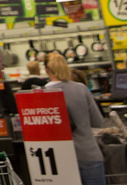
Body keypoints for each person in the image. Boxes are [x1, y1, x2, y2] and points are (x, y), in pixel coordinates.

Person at [45, 52, 107, 185]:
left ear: (46, 70)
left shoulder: (40, 94)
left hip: (58, 159)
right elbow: (98, 122)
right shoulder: (81, 89)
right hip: (88, 153)